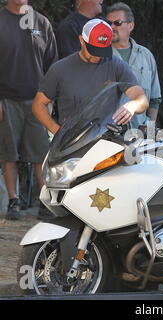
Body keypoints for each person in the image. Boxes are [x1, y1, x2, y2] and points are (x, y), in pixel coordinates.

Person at [32, 18, 148, 136]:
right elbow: (38, 104)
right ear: (82, 40)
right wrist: (58, 132)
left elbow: (141, 99)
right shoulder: (60, 69)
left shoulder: (116, 65)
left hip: (107, 140)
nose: (97, 56)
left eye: (102, 51)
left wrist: (132, 105)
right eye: (94, 50)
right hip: (71, 141)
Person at [0, 0, 58, 220]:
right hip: (7, 100)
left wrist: (50, 99)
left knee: (41, 154)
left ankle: (44, 201)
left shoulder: (41, 23)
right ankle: (13, 200)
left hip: (39, 101)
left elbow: (53, 64)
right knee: (9, 154)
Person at [106, 2, 162, 128]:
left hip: (140, 133)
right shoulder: (101, 56)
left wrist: (151, 130)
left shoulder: (146, 55)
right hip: (108, 134)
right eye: (108, 23)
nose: (111, 27)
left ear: (130, 26)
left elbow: (155, 99)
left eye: (117, 23)